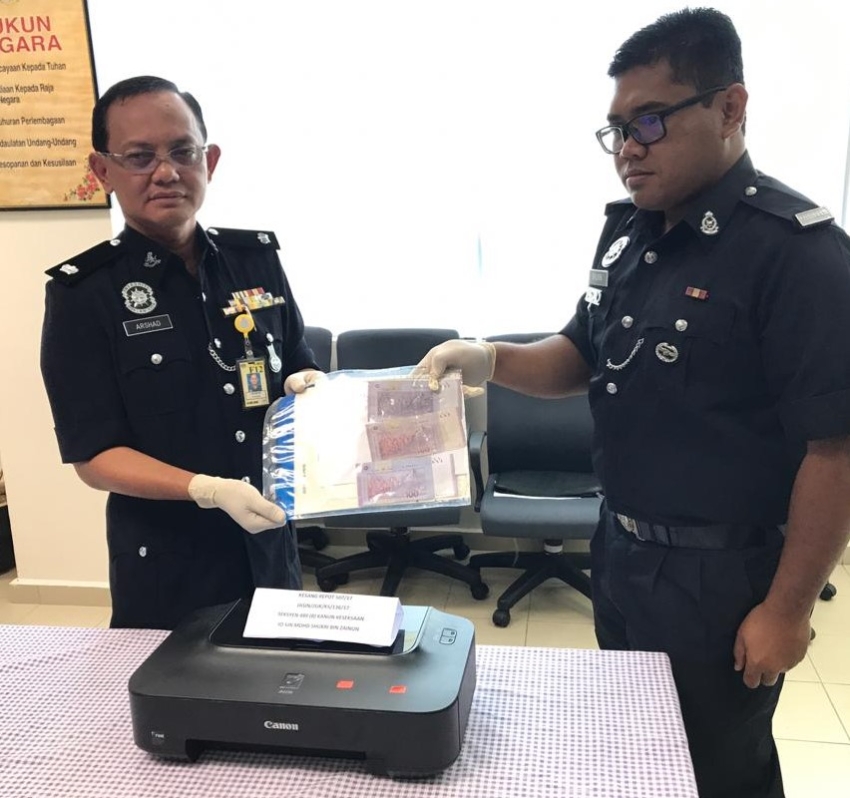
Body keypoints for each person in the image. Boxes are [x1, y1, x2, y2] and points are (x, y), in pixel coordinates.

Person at [418, 9, 850, 798]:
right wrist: (489, 358)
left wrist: (788, 610)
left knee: (719, 769)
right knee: (638, 752)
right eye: (615, 130)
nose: (627, 149)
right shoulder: (630, 236)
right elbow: (580, 356)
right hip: (617, 551)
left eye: (649, 121)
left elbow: (836, 449)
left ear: (730, 107)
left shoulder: (797, 254)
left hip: (721, 578)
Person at [40, 76, 323, 630]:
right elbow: (94, 456)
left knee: (283, 680)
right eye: (140, 157)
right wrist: (204, 489)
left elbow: (296, 359)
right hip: (169, 569)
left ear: (209, 160)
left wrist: (309, 384)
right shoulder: (84, 293)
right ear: (102, 171)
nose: (166, 172)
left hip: (270, 549)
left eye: (182, 151)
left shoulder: (256, 261)